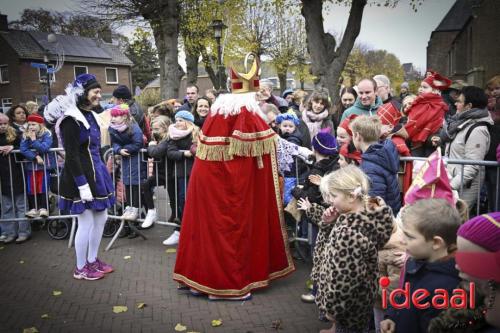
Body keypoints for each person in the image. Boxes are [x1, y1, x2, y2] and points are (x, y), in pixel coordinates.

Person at [173, 54, 294, 300]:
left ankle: (199, 281)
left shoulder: (217, 111)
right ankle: (226, 287)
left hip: (206, 185)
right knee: (230, 230)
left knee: (206, 230)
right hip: (230, 188)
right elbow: (262, 147)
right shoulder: (244, 113)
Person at [48, 73, 115, 280]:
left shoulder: (90, 115)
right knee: (85, 222)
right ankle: (80, 267)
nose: (98, 95)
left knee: (101, 217)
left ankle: (93, 260)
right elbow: (72, 155)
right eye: (95, 91)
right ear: (82, 93)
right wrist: (82, 184)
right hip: (79, 177)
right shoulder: (70, 120)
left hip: (96, 172)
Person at [315, 165, 394, 333]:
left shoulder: (348, 233)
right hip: (362, 301)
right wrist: (331, 222)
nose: (330, 200)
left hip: (346, 310)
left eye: (334, 196)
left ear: (351, 196)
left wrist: (332, 310)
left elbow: (344, 280)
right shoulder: (367, 216)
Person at [380, 199, 463, 333]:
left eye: (409, 236)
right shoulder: (415, 261)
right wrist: (392, 316)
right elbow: (403, 294)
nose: (401, 240)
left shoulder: (446, 288)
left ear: (436, 242)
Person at [433, 86, 493, 209]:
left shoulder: (478, 130)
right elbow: (457, 151)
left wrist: (451, 185)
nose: (455, 103)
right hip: (454, 181)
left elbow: (472, 165)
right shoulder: (461, 123)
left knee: (456, 221)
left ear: (469, 106)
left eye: (459, 101)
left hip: (464, 186)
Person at [351, 115, 401, 215]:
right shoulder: (382, 155)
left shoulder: (370, 168)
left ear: (357, 136)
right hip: (390, 216)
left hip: (380, 224)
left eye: (352, 135)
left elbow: (374, 205)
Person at [395, 71, 450, 157]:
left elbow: (440, 130)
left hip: (431, 149)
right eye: (420, 86)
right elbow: (411, 124)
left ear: (434, 90)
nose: (420, 89)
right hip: (414, 146)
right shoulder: (417, 103)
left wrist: (435, 139)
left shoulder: (439, 107)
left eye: (425, 87)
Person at [163, 110, 199, 246]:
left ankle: (193, 227)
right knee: (182, 197)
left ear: (188, 122)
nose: (177, 123)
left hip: (195, 171)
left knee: (194, 198)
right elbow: (170, 152)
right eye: (176, 120)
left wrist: (193, 151)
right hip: (181, 172)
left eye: (181, 120)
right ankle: (181, 226)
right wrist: (184, 154)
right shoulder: (173, 136)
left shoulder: (196, 133)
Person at [108, 104, 146, 222]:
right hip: (125, 159)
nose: (113, 118)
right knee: (127, 182)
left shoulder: (133, 127)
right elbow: (113, 143)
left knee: (135, 183)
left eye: (116, 116)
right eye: (112, 116)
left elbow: (138, 143)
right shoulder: (113, 128)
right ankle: (129, 207)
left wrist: (126, 149)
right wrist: (119, 150)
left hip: (135, 158)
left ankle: (135, 208)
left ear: (124, 116)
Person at [19, 113, 56, 221]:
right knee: (32, 188)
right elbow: (23, 149)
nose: (31, 127)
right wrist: (35, 157)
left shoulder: (47, 134)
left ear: (40, 125)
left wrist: (34, 140)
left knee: (42, 187)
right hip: (31, 167)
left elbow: (44, 148)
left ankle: (44, 208)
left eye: (34, 124)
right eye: (29, 124)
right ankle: (33, 209)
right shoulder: (26, 135)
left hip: (44, 167)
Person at [0, 113, 26, 244]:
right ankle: (9, 232)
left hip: (16, 174)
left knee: (21, 204)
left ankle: (23, 232)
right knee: (7, 206)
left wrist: (13, 147)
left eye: (5, 123)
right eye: (0, 124)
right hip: (2, 177)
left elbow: (24, 148)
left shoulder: (15, 134)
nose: (3, 126)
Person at [141, 115, 171, 228]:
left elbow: (156, 152)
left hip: (171, 173)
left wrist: (151, 146)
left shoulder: (168, 138)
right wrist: (149, 145)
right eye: (153, 129)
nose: (154, 131)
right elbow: (149, 153)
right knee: (146, 184)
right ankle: (151, 211)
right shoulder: (156, 139)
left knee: (174, 198)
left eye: (157, 129)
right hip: (160, 173)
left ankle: (176, 224)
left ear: (166, 127)